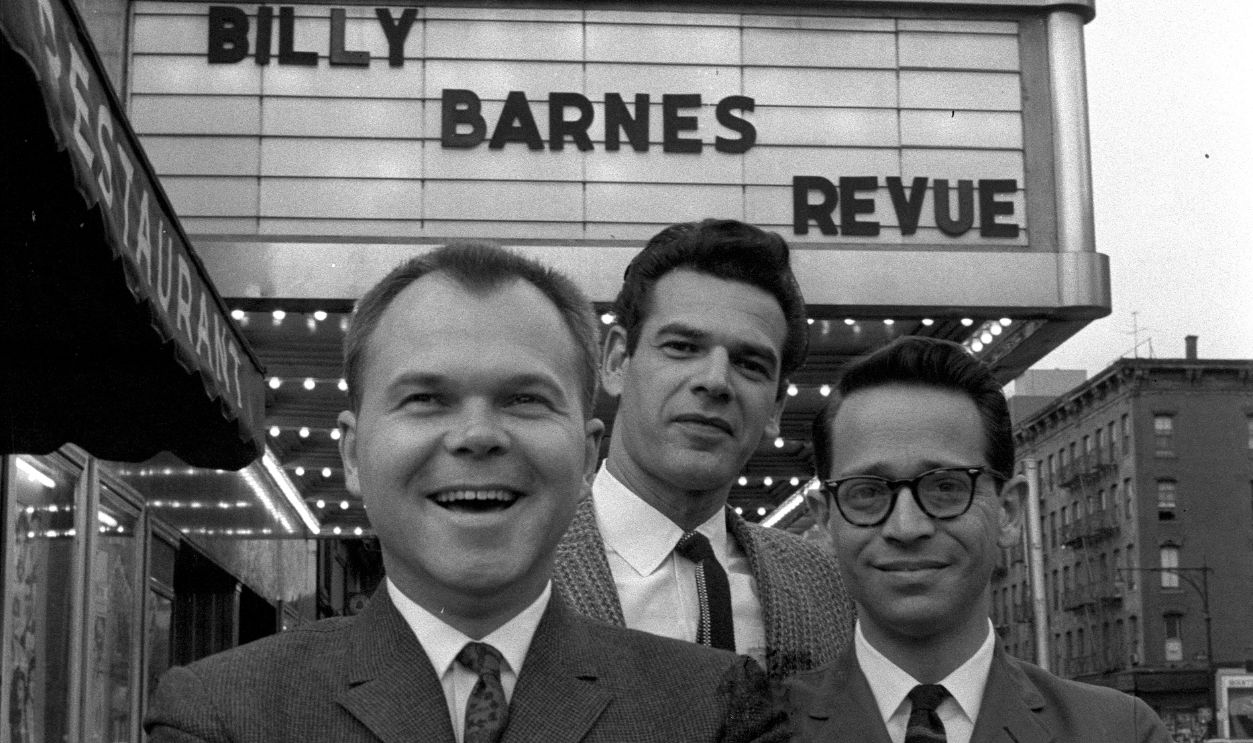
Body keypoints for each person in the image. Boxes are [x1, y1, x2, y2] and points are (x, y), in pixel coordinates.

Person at [145, 243, 785, 742]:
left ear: (588, 454)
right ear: (351, 455)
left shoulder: (717, 710)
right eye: (426, 399)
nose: (478, 436)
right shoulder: (220, 715)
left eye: (525, 400)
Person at [786, 336, 1170, 742]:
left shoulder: (1121, 731)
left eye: (946, 487)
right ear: (826, 520)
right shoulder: (758, 728)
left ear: (1009, 512)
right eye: (867, 492)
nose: (906, 526)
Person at [554, 218, 854, 681]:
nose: (715, 381)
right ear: (615, 361)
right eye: (681, 346)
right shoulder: (520, 564)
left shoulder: (825, 589)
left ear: (776, 405)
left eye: (750, 364)